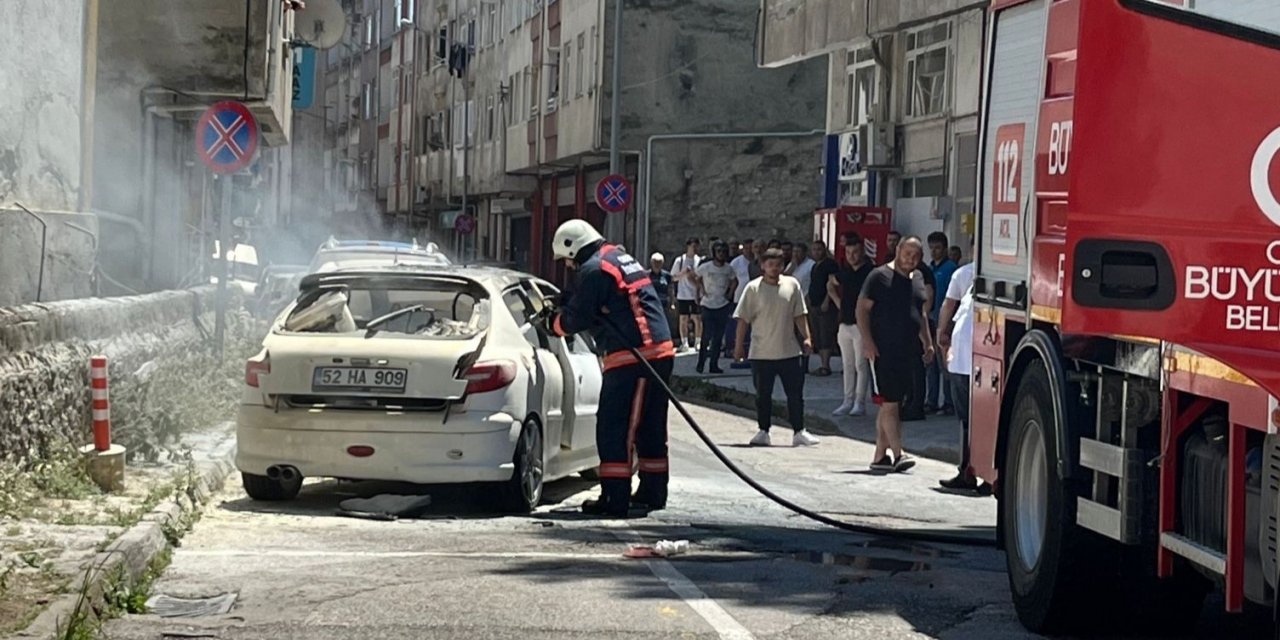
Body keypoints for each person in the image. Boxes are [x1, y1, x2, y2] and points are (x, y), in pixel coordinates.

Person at [544, 220, 676, 517]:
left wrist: (552, 323)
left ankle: (614, 499)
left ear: (573, 247)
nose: (568, 266)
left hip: (635, 358)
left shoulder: (594, 269)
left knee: (615, 428)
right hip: (657, 352)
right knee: (649, 427)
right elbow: (605, 302)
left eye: (567, 259)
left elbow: (575, 319)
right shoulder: (616, 258)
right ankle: (653, 492)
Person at [858, 237, 933, 473]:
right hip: (883, 349)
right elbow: (861, 309)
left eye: (915, 255)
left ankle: (880, 456)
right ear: (898, 250)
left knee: (892, 404)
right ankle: (899, 453)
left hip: (908, 350)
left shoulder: (919, 278)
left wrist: (928, 344)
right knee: (890, 404)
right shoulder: (878, 276)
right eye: (907, 253)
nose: (910, 259)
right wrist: (868, 342)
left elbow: (919, 314)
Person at [734, 248, 821, 448]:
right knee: (763, 395)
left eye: (778, 264)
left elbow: (800, 314)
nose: (774, 268)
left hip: (789, 352)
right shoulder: (752, 289)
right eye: (770, 264)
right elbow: (743, 320)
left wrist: (807, 337)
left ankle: (799, 431)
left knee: (795, 394)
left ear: (783, 266)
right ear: (763, 266)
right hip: (761, 353)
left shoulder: (792, 285)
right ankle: (763, 431)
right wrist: (738, 347)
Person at [936, 243, 990, 493]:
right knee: (969, 420)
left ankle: (979, 473)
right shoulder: (969, 278)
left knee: (973, 421)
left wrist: (942, 333)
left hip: (976, 362)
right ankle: (969, 471)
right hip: (965, 361)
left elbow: (949, 306)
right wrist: (942, 334)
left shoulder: (975, 278)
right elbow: (949, 307)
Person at [828, 232, 873, 416]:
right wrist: (839, 303)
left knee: (860, 365)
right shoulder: (845, 272)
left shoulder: (869, 272)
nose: (851, 256)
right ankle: (847, 400)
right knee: (846, 364)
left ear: (862, 251)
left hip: (861, 325)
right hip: (844, 323)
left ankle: (859, 402)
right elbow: (830, 283)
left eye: (855, 252)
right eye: (848, 252)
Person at [925, 232, 958, 416]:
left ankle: (948, 402)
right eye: (931, 248)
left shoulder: (951, 269)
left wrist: (949, 324)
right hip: (930, 320)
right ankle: (931, 400)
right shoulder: (929, 269)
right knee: (931, 364)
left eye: (937, 248)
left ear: (945, 248)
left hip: (944, 322)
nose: (934, 252)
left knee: (945, 364)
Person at [694, 241, 737, 374]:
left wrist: (729, 294)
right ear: (714, 253)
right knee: (706, 336)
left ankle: (714, 364)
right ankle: (701, 363)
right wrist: (700, 291)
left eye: (724, 251)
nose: (721, 254)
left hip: (722, 304)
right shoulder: (706, 267)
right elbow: (695, 277)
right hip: (707, 304)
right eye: (719, 251)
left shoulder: (728, 268)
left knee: (718, 337)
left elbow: (734, 281)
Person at [806, 240, 839, 376]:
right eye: (814, 249)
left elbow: (832, 284)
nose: (816, 252)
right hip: (813, 304)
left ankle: (826, 365)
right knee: (817, 335)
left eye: (819, 249)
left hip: (825, 305)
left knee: (825, 334)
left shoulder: (830, 265)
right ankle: (822, 364)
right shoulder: (815, 266)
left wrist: (827, 300)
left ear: (824, 250)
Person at [671, 238, 703, 352]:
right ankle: (684, 342)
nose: (694, 248)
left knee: (697, 319)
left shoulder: (699, 261)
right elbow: (673, 277)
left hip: (696, 294)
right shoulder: (680, 260)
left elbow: (701, 278)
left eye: (696, 246)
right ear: (688, 246)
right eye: (693, 246)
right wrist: (684, 273)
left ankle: (698, 342)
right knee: (683, 318)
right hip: (683, 294)